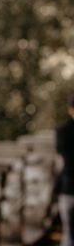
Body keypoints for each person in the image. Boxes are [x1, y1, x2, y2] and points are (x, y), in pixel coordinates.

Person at [57, 96, 74, 246]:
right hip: (67, 186)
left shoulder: (62, 131)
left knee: (68, 234)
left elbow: (60, 155)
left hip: (68, 186)